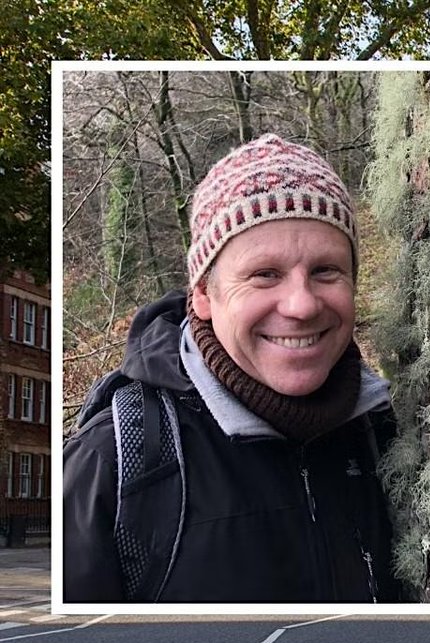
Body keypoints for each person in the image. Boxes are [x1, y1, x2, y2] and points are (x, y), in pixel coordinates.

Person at [64, 134, 402, 603]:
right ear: (203, 295)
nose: (302, 304)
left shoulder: (387, 437)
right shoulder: (117, 462)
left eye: (326, 271)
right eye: (265, 274)